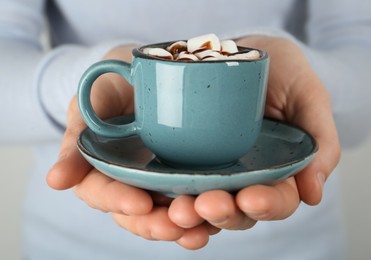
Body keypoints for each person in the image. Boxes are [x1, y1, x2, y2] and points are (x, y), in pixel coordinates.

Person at [1, 0, 370, 259]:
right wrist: (92, 75)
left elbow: (359, 52)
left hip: (295, 248)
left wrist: (307, 85)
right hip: (74, 245)